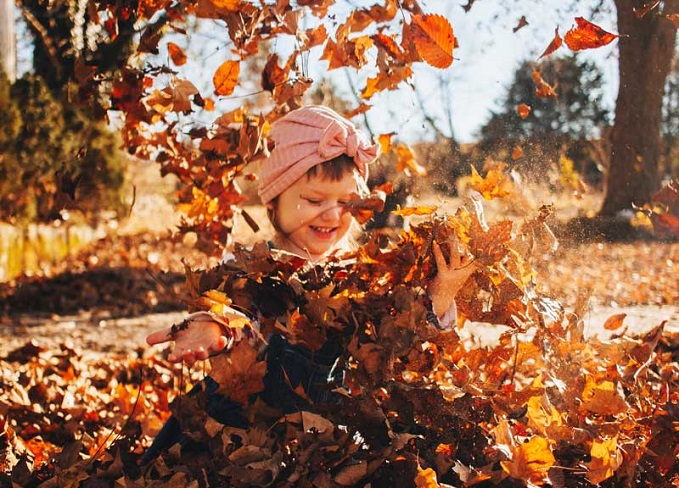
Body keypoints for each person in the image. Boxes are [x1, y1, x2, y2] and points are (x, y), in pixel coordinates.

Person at [141, 105, 476, 465]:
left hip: (326, 431)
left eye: (346, 202)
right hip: (244, 428)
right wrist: (220, 327)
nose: (332, 214)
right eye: (314, 200)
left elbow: (394, 347)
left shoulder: (358, 276)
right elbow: (241, 312)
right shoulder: (249, 268)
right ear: (273, 201)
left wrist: (442, 294)